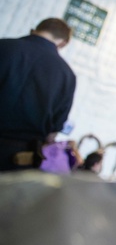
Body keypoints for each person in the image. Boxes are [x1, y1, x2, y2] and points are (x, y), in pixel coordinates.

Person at [0, 17, 77, 171]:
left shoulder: (3, 47)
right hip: (18, 159)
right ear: (63, 43)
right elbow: (53, 131)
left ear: (34, 30)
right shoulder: (67, 75)